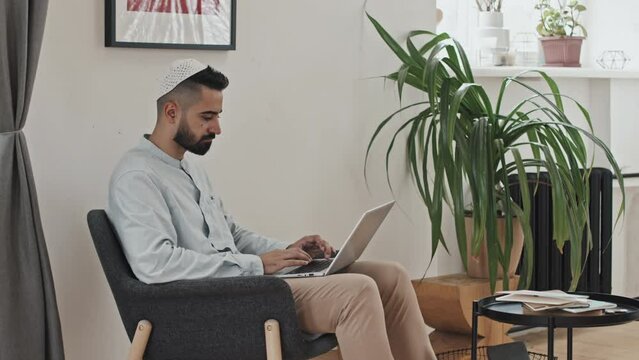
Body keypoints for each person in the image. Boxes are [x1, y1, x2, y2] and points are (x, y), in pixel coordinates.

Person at [106, 58, 437, 360]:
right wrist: (256, 265)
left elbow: (230, 234)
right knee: (358, 291)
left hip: (244, 286)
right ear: (171, 112)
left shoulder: (188, 167)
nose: (217, 128)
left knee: (390, 276)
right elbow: (155, 264)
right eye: (207, 117)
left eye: (218, 116)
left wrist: (287, 250)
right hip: (217, 305)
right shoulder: (137, 177)